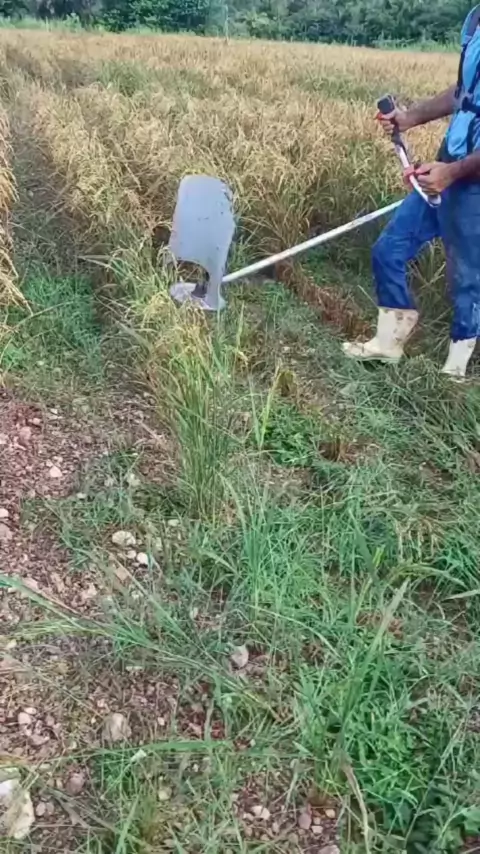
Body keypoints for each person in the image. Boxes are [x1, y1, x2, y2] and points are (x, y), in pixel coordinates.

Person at [343, 4, 480, 379]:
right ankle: (388, 342)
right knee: (389, 248)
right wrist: (408, 118)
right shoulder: (474, 20)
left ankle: (454, 372)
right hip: (445, 166)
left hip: (470, 183)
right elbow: (463, 92)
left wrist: (453, 172)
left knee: (466, 278)